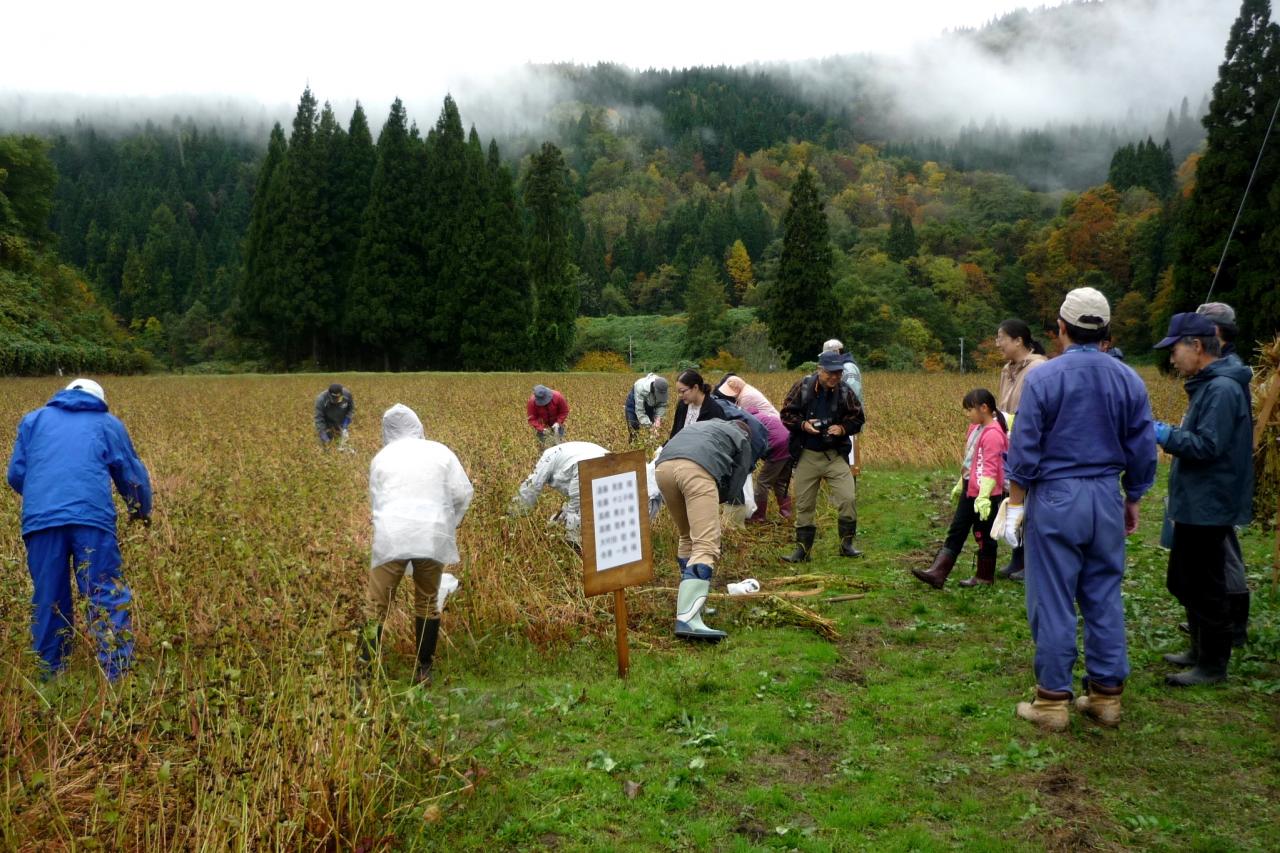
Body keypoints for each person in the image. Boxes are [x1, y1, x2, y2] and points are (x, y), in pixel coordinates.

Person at [1003, 287, 1156, 730]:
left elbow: (1025, 447)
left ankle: (1052, 702)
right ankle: (1106, 697)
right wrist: (1133, 497)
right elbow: (1143, 447)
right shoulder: (1129, 378)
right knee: (1103, 593)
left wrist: (1015, 505)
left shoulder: (1044, 378)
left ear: (1061, 328)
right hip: (1106, 494)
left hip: (1055, 496)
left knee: (1052, 598)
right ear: (1106, 331)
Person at [6, 378, 152, 681]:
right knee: (103, 590)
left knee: (48, 596)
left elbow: (16, 474)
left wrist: (44, 496)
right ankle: (117, 674)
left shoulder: (32, 421)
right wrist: (140, 510)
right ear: (98, 398)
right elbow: (130, 473)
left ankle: (50, 676)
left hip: (41, 520)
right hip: (92, 518)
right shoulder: (107, 423)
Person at [1152, 312, 1253, 687]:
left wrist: (1161, 433)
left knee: (1205, 584)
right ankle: (1198, 648)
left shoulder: (1223, 389)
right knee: (1183, 579)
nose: (1172, 358)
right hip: (1196, 499)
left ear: (1196, 346)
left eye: (1174, 349)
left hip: (1210, 501)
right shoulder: (1207, 385)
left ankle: (1213, 664)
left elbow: (1208, 446)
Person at [361, 404, 473, 685]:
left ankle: (365, 673)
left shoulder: (382, 457)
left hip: (392, 535)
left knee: (376, 604)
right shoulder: (440, 451)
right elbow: (462, 492)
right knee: (426, 601)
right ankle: (423, 670)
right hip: (432, 533)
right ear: (418, 426)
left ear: (387, 431)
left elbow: (377, 501)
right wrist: (451, 524)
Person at [655, 419, 754, 641]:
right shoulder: (742, 439)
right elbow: (738, 480)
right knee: (706, 544)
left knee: (687, 536)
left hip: (663, 468)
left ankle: (692, 604)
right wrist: (716, 498)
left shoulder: (705, 425)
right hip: (696, 470)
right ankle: (688, 619)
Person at [1195, 302, 1252, 647]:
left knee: (1222, 552)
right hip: (1216, 480)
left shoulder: (1225, 379)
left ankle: (1230, 626)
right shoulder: (1219, 373)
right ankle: (1214, 624)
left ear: (1214, 334)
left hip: (1219, 481)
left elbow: (1211, 441)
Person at [911, 389, 1009, 589]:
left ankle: (984, 577)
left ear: (984, 408)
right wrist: (961, 482)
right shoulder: (976, 428)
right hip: (971, 488)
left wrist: (984, 496)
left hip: (987, 493)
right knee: (957, 530)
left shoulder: (993, 434)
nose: (967, 414)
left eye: (970, 409)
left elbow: (990, 467)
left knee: (983, 534)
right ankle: (938, 573)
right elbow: (971, 461)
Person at [780, 350, 867, 561]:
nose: (835, 377)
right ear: (820, 370)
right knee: (804, 504)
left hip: (834, 455)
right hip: (807, 454)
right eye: (830, 373)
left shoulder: (845, 392)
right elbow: (785, 414)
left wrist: (842, 428)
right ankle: (803, 551)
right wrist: (803, 425)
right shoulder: (803, 387)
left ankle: (846, 545)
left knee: (848, 498)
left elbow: (858, 418)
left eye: (838, 373)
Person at [510, 441, 664, 546]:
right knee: (586, 506)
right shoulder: (573, 456)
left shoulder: (548, 458)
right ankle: (570, 538)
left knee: (578, 508)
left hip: (581, 463)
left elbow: (531, 487)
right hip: (595, 462)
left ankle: (565, 539)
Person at [993, 319, 1048, 581]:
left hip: (1030, 440)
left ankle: (1031, 561)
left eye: (1001, 337)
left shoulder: (1039, 368)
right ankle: (1017, 557)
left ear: (1018, 341)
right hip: (1010, 440)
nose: (997, 343)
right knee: (1014, 496)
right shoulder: (1007, 369)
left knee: (1029, 499)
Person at [822, 339, 864, 478]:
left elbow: (852, 394)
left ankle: (849, 491)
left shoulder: (848, 368)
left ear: (838, 352)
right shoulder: (840, 367)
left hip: (848, 421)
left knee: (850, 462)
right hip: (839, 422)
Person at [669, 369, 728, 440]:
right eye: (678, 392)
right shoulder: (682, 405)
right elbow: (674, 434)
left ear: (695, 387)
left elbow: (721, 440)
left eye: (682, 391)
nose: (680, 395)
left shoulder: (714, 410)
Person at [625, 373, 669, 441]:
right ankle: (633, 446)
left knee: (652, 430)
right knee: (633, 426)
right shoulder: (641, 388)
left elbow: (662, 405)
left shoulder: (662, 387)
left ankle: (649, 445)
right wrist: (650, 426)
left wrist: (658, 420)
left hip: (650, 404)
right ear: (654, 389)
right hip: (633, 404)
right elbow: (640, 411)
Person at [714, 374, 780, 419]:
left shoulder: (746, 397)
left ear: (737, 388)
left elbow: (744, 418)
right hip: (769, 420)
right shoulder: (746, 390)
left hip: (771, 423)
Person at [527, 384, 569, 449]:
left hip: (557, 424)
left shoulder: (558, 396)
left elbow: (564, 411)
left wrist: (558, 422)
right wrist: (541, 428)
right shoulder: (532, 402)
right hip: (542, 426)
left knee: (560, 446)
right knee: (543, 447)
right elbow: (532, 419)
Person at [315, 382, 355, 449]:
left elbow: (351, 409)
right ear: (329, 395)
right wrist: (323, 433)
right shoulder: (321, 399)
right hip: (328, 424)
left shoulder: (347, 395)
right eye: (334, 399)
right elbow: (319, 419)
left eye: (338, 398)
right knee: (327, 447)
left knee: (344, 445)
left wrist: (346, 422)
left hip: (341, 423)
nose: (336, 401)